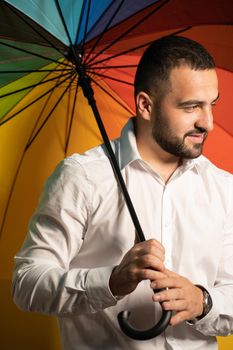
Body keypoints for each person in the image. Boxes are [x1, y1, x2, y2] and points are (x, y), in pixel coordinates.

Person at [12, 35, 233, 350]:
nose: (208, 122)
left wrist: (203, 301)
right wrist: (111, 281)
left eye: (212, 104)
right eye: (191, 107)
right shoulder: (83, 177)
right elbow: (26, 283)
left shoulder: (224, 187)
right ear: (145, 105)